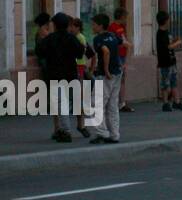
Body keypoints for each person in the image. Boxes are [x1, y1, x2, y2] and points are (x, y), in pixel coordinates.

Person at [38, 13, 83, 143]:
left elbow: (40, 52)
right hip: (71, 74)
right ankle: (79, 126)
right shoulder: (71, 38)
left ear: (55, 25)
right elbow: (80, 53)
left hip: (55, 75)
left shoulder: (50, 39)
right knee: (73, 101)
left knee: (60, 103)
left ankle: (65, 131)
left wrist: (43, 38)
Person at [90, 14, 124, 145]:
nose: (92, 27)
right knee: (112, 105)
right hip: (117, 72)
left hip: (105, 75)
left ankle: (101, 133)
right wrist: (122, 63)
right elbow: (126, 44)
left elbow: (106, 52)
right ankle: (114, 134)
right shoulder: (113, 35)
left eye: (94, 24)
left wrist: (106, 70)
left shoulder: (98, 39)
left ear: (100, 26)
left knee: (96, 103)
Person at [156, 11, 182, 112]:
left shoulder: (167, 32)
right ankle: (165, 103)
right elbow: (168, 47)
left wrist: (174, 40)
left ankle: (177, 102)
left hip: (171, 61)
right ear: (165, 21)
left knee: (174, 82)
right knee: (165, 84)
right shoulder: (160, 34)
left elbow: (169, 43)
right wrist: (178, 43)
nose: (169, 21)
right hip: (165, 62)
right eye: (168, 19)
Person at [70, 17, 93, 138]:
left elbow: (85, 52)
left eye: (73, 26)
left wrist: (88, 69)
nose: (71, 29)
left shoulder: (80, 38)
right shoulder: (75, 37)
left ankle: (82, 123)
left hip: (79, 66)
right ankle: (81, 123)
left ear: (78, 27)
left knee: (79, 95)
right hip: (78, 66)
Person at [111, 8, 134, 112]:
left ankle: (122, 102)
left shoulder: (122, 27)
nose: (126, 20)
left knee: (122, 79)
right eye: (125, 17)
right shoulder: (112, 27)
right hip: (117, 56)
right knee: (116, 79)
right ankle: (115, 102)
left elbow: (124, 39)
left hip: (123, 55)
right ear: (121, 17)